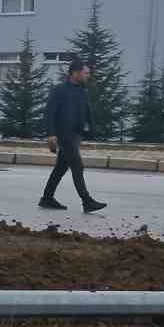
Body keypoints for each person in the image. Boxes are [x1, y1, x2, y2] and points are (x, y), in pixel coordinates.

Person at [41, 60, 107, 214]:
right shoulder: (59, 90)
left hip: (76, 135)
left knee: (60, 168)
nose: (88, 76)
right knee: (77, 166)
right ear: (75, 73)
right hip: (64, 135)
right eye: (86, 73)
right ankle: (87, 201)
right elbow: (49, 112)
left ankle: (46, 198)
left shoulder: (82, 91)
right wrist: (50, 134)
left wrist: (92, 130)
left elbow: (88, 112)